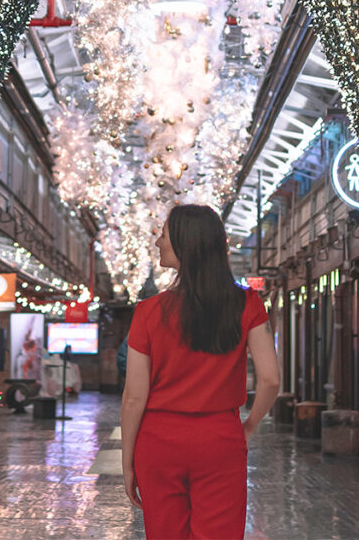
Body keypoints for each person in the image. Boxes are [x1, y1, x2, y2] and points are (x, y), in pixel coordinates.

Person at [121, 204, 281, 540]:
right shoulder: (247, 303)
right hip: (219, 439)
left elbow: (135, 397)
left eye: (162, 235)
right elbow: (270, 379)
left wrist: (128, 460)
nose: (157, 243)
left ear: (185, 244)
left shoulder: (148, 313)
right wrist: (249, 425)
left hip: (158, 443)